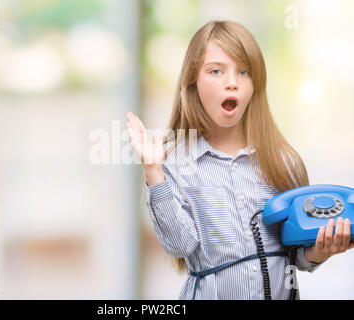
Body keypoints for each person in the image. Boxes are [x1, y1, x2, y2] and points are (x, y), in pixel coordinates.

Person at [125, 20, 353, 300]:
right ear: (193, 82)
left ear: (255, 85)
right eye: (216, 71)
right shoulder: (174, 164)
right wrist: (153, 171)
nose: (231, 82)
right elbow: (180, 245)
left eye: (243, 72)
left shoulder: (283, 162)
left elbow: (293, 259)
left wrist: (320, 251)